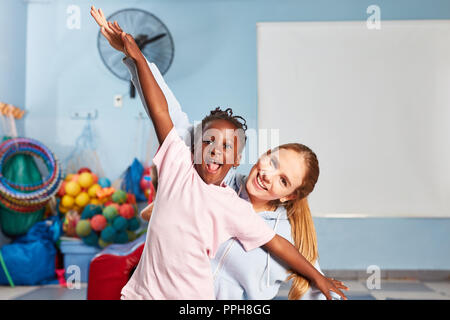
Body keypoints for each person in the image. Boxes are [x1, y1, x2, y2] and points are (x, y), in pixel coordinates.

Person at [90, 6, 348, 301]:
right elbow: (162, 108)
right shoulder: (180, 163)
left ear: (288, 195)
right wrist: (134, 56)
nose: (215, 150)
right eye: (272, 162)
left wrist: (318, 277)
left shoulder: (233, 207)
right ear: (196, 144)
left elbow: (278, 244)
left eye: (284, 180)